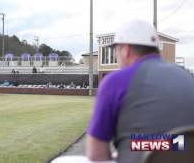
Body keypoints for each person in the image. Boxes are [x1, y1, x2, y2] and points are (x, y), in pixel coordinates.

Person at [52, 20, 194, 163]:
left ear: (125, 50)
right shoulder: (187, 76)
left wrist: (128, 149)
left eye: (116, 50)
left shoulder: (115, 80)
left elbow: (96, 154)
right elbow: (175, 142)